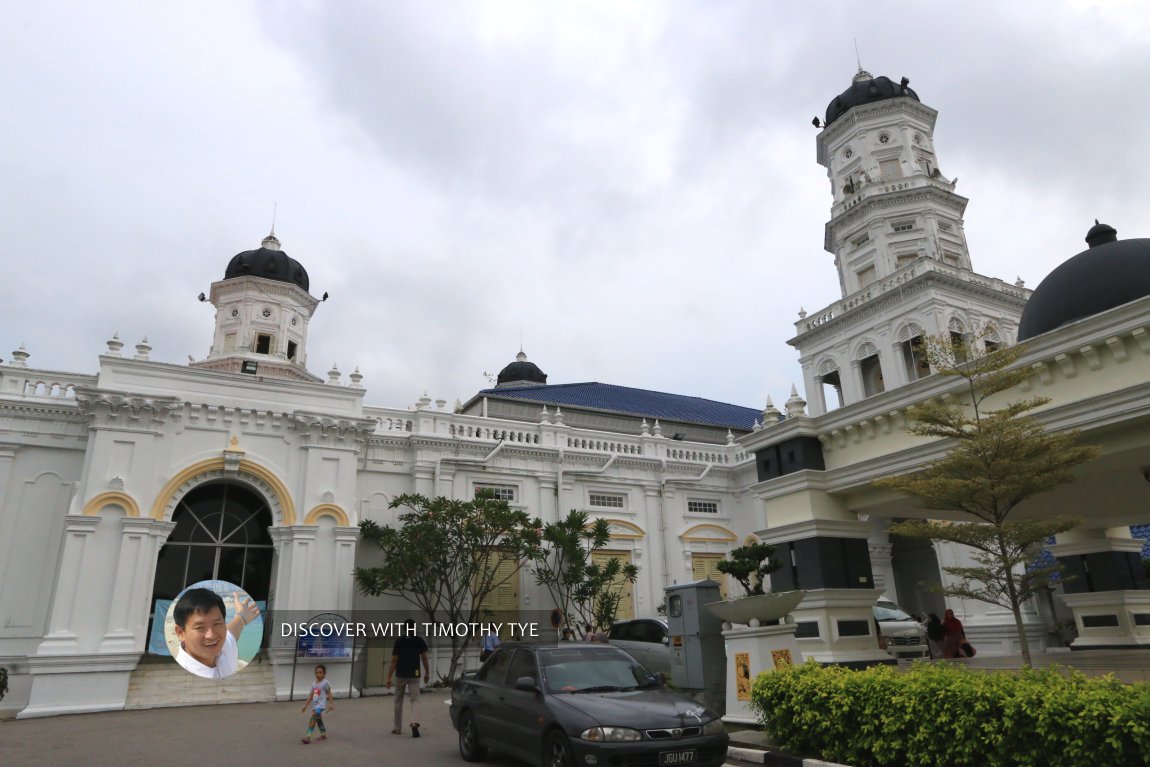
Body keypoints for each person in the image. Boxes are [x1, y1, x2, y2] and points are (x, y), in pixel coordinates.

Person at [173, 588, 259, 679]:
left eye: (217, 624)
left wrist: (242, 617)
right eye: (200, 627)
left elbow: (232, 631)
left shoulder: (224, 647)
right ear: (180, 633)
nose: (211, 635)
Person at [386, 620, 430, 738]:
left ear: (404, 629)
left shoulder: (399, 642)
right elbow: (424, 658)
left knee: (398, 701)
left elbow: (394, 661)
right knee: (415, 700)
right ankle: (414, 723)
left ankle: (397, 728)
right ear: (414, 628)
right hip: (414, 674)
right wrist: (427, 673)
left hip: (401, 674)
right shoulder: (419, 640)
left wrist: (389, 676)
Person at [300, 664, 333, 744]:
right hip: (315, 705)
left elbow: (329, 693)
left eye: (320, 672)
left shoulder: (325, 682)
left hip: (320, 705)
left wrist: (331, 704)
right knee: (319, 720)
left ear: (324, 673)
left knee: (313, 719)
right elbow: (311, 696)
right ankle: (323, 734)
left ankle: (308, 737)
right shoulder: (314, 684)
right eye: (317, 673)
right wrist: (305, 705)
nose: (318, 674)